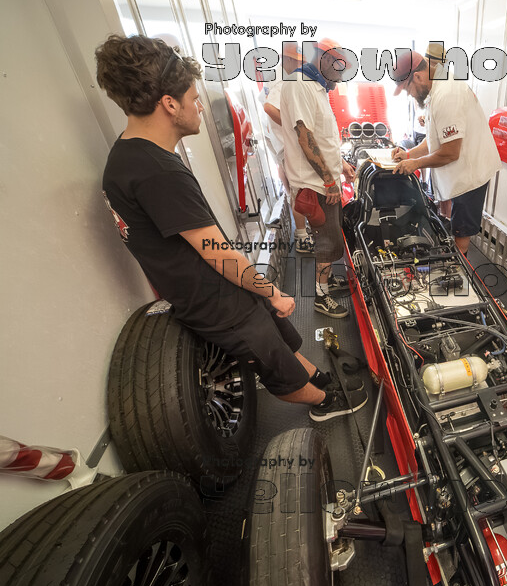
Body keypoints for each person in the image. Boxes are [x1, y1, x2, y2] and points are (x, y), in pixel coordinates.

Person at [94, 34, 366, 422]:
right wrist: (271, 291)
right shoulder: (157, 171)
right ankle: (324, 403)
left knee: (278, 336)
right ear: (169, 105)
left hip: (222, 286)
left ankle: (318, 376)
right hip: (213, 299)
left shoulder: (129, 155)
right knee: (274, 362)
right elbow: (216, 252)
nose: (200, 106)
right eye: (193, 99)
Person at [390, 50, 501, 255]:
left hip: (470, 173)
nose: (410, 95)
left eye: (408, 89)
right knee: (454, 223)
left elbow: (450, 152)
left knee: (461, 231)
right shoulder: (435, 91)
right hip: (460, 170)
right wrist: (409, 155)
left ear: (418, 76)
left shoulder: (448, 95)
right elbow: (435, 140)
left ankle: (460, 274)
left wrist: (416, 164)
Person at [277, 38, 356, 318]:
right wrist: (329, 180)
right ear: (322, 60)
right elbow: (304, 136)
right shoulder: (300, 84)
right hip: (315, 184)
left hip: (324, 180)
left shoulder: (317, 87)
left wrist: (340, 164)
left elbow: (322, 135)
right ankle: (321, 298)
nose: (341, 76)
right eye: (338, 69)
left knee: (333, 238)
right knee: (326, 242)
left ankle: (328, 281)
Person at [262, 44, 314, 254]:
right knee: (299, 190)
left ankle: (302, 230)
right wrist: (294, 127)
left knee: (295, 189)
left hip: (280, 142)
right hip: (285, 143)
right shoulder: (285, 80)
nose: (302, 66)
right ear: (288, 60)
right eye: (299, 62)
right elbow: (269, 107)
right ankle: (301, 237)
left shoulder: (282, 76)